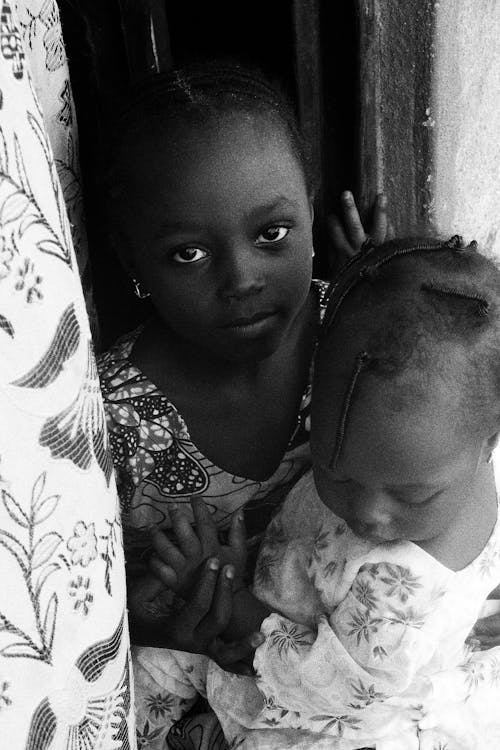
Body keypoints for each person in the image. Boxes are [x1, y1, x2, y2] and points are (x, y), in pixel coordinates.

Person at [97, 61, 387, 746]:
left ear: (309, 209)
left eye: (271, 235)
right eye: (189, 253)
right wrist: (169, 624)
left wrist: (387, 307)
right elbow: (93, 613)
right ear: (132, 258)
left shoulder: (358, 345)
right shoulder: (109, 417)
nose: (243, 279)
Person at [151, 235, 500, 749]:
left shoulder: (400, 597)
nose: (370, 516)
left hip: (336, 704)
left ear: (488, 443)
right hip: (294, 606)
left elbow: (332, 685)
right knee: (148, 663)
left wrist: (228, 594)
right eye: (336, 473)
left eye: (411, 496)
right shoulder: (446, 446)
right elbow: (410, 342)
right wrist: (367, 278)